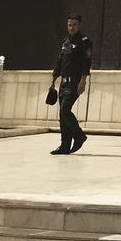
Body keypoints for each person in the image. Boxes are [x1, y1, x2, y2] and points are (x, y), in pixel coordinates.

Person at [48, 13, 92, 155]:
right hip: (63, 83)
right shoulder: (65, 43)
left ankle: (79, 136)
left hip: (75, 82)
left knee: (65, 110)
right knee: (62, 115)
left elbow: (86, 62)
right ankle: (65, 145)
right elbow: (59, 62)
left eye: (74, 25)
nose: (71, 27)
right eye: (69, 25)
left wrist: (83, 81)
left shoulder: (84, 42)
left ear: (80, 25)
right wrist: (53, 80)